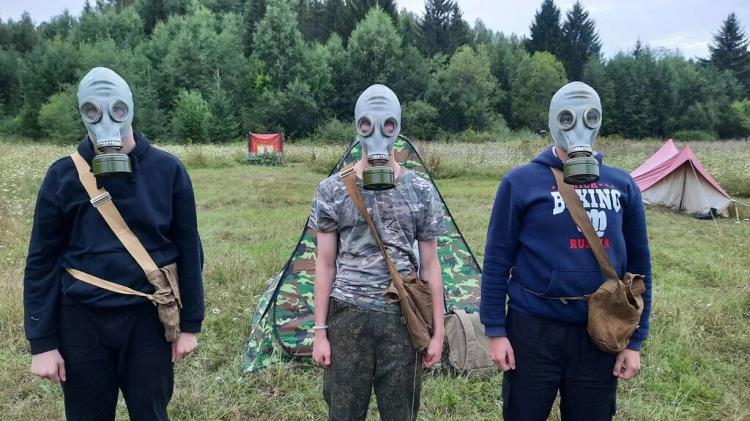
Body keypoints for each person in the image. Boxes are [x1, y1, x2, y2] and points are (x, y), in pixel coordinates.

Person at [24, 67, 204, 421]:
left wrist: (190, 325)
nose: (106, 121)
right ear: (84, 114)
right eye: (93, 111)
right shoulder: (63, 176)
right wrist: (42, 343)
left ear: (129, 109)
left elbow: (189, 251)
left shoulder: (168, 170)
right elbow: (41, 261)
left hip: (149, 319)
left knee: (151, 413)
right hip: (80, 321)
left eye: (117, 109)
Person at [480, 81, 652, 420]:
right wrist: (496, 331)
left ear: (598, 121)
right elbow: (497, 261)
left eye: (589, 118)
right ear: (553, 121)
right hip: (533, 330)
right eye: (567, 118)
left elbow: (640, 267)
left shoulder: (622, 185)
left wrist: (634, 342)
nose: (579, 128)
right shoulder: (520, 182)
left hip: (600, 331)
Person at [309, 84, 446, 421]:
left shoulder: (421, 190)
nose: (377, 135)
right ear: (359, 127)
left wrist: (438, 332)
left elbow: (430, 265)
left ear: (397, 128)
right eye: (367, 124)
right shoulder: (332, 189)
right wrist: (320, 331)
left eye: (388, 125)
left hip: (402, 318)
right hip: (347, 318)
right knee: (344, 414)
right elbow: (325, 264)